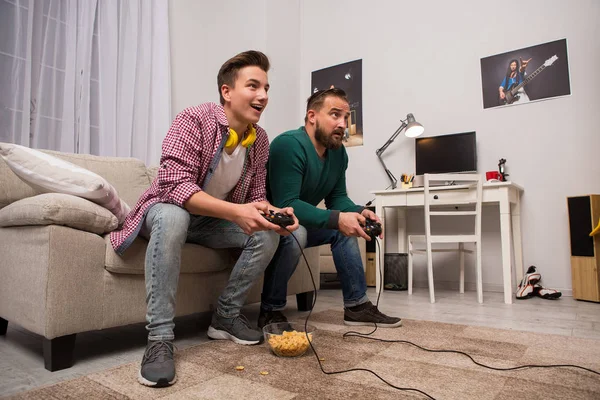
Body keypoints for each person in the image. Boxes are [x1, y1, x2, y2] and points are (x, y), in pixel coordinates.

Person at [109, 50, 299, 388]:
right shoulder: (194, 119)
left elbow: (255, 196)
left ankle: (225, 316)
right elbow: (173, 185)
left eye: (267, 88)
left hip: (210, 222)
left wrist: (273, 215)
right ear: (227, 92)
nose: (263, 96)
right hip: (166, 209)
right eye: (253, 86)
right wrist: (237, 212)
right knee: (173, 217)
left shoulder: (260, 141)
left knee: (268, 235)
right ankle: (160, 340)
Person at [258, 88, 402, 329]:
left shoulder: (338, 153)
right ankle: (270, 311)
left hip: (299, 220)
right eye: (335, 115)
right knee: (300, 233)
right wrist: (338, 218)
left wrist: (358, 212)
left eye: (346, 117)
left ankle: (356, 306)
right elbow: (287, 203)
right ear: (312, 116)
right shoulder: (289, 145)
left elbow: (337, 199)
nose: (342, 124)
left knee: (345, 227)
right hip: (274, 222)